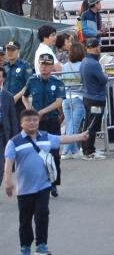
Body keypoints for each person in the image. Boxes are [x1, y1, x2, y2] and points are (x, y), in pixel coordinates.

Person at [5, 110, 88, 255]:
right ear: (21, 123)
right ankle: (25, 246)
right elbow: (8, 163)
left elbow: (62, 139)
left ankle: (42, 244)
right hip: (24, 189)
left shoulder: (45, 137)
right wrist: (8, 182)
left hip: (43, 185)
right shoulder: (14, 142)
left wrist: (80, 136)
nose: (32, 123)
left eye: (35, 120)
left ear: (38, 122)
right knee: (25, 220)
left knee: (42, 214)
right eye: (28, 120)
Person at [20, 54, 65, 197]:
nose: (44, 67)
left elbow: (58, 102)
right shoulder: (32, 80)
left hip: (51, 122)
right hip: (36, 124)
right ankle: (42, 184)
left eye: (47, 65)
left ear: (52, 67)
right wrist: (29, 109)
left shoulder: (58, 82)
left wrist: (42, 112)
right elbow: (24, 95)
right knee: (38, 154)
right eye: (42, 64)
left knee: (54, 154)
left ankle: (54, 183)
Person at [79, 38, 108, 160]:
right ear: (96, 48)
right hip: (96, 97)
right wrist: (106, 75)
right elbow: (103, 79)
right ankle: (88, 150)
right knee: (92, 125)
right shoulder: (94, 64)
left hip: (88, 96)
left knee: (89, 123)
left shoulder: (84, 61)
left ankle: (88, 148)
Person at [59, 42, 85, 160]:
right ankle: (65, 151)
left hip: (66, 98)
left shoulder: (65, 66)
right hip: (78, 98)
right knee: (73, 127)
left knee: (70, 124)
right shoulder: (83, 65)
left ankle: (74, 150)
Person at [4, 42, 33, 116]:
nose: (10, 52)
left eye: (12, 50)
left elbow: (29, 83)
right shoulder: (4, 67)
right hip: (5, 103)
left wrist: (16, 97)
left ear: (18, 51)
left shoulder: (25, 66)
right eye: (8, 50)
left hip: (19, 102)